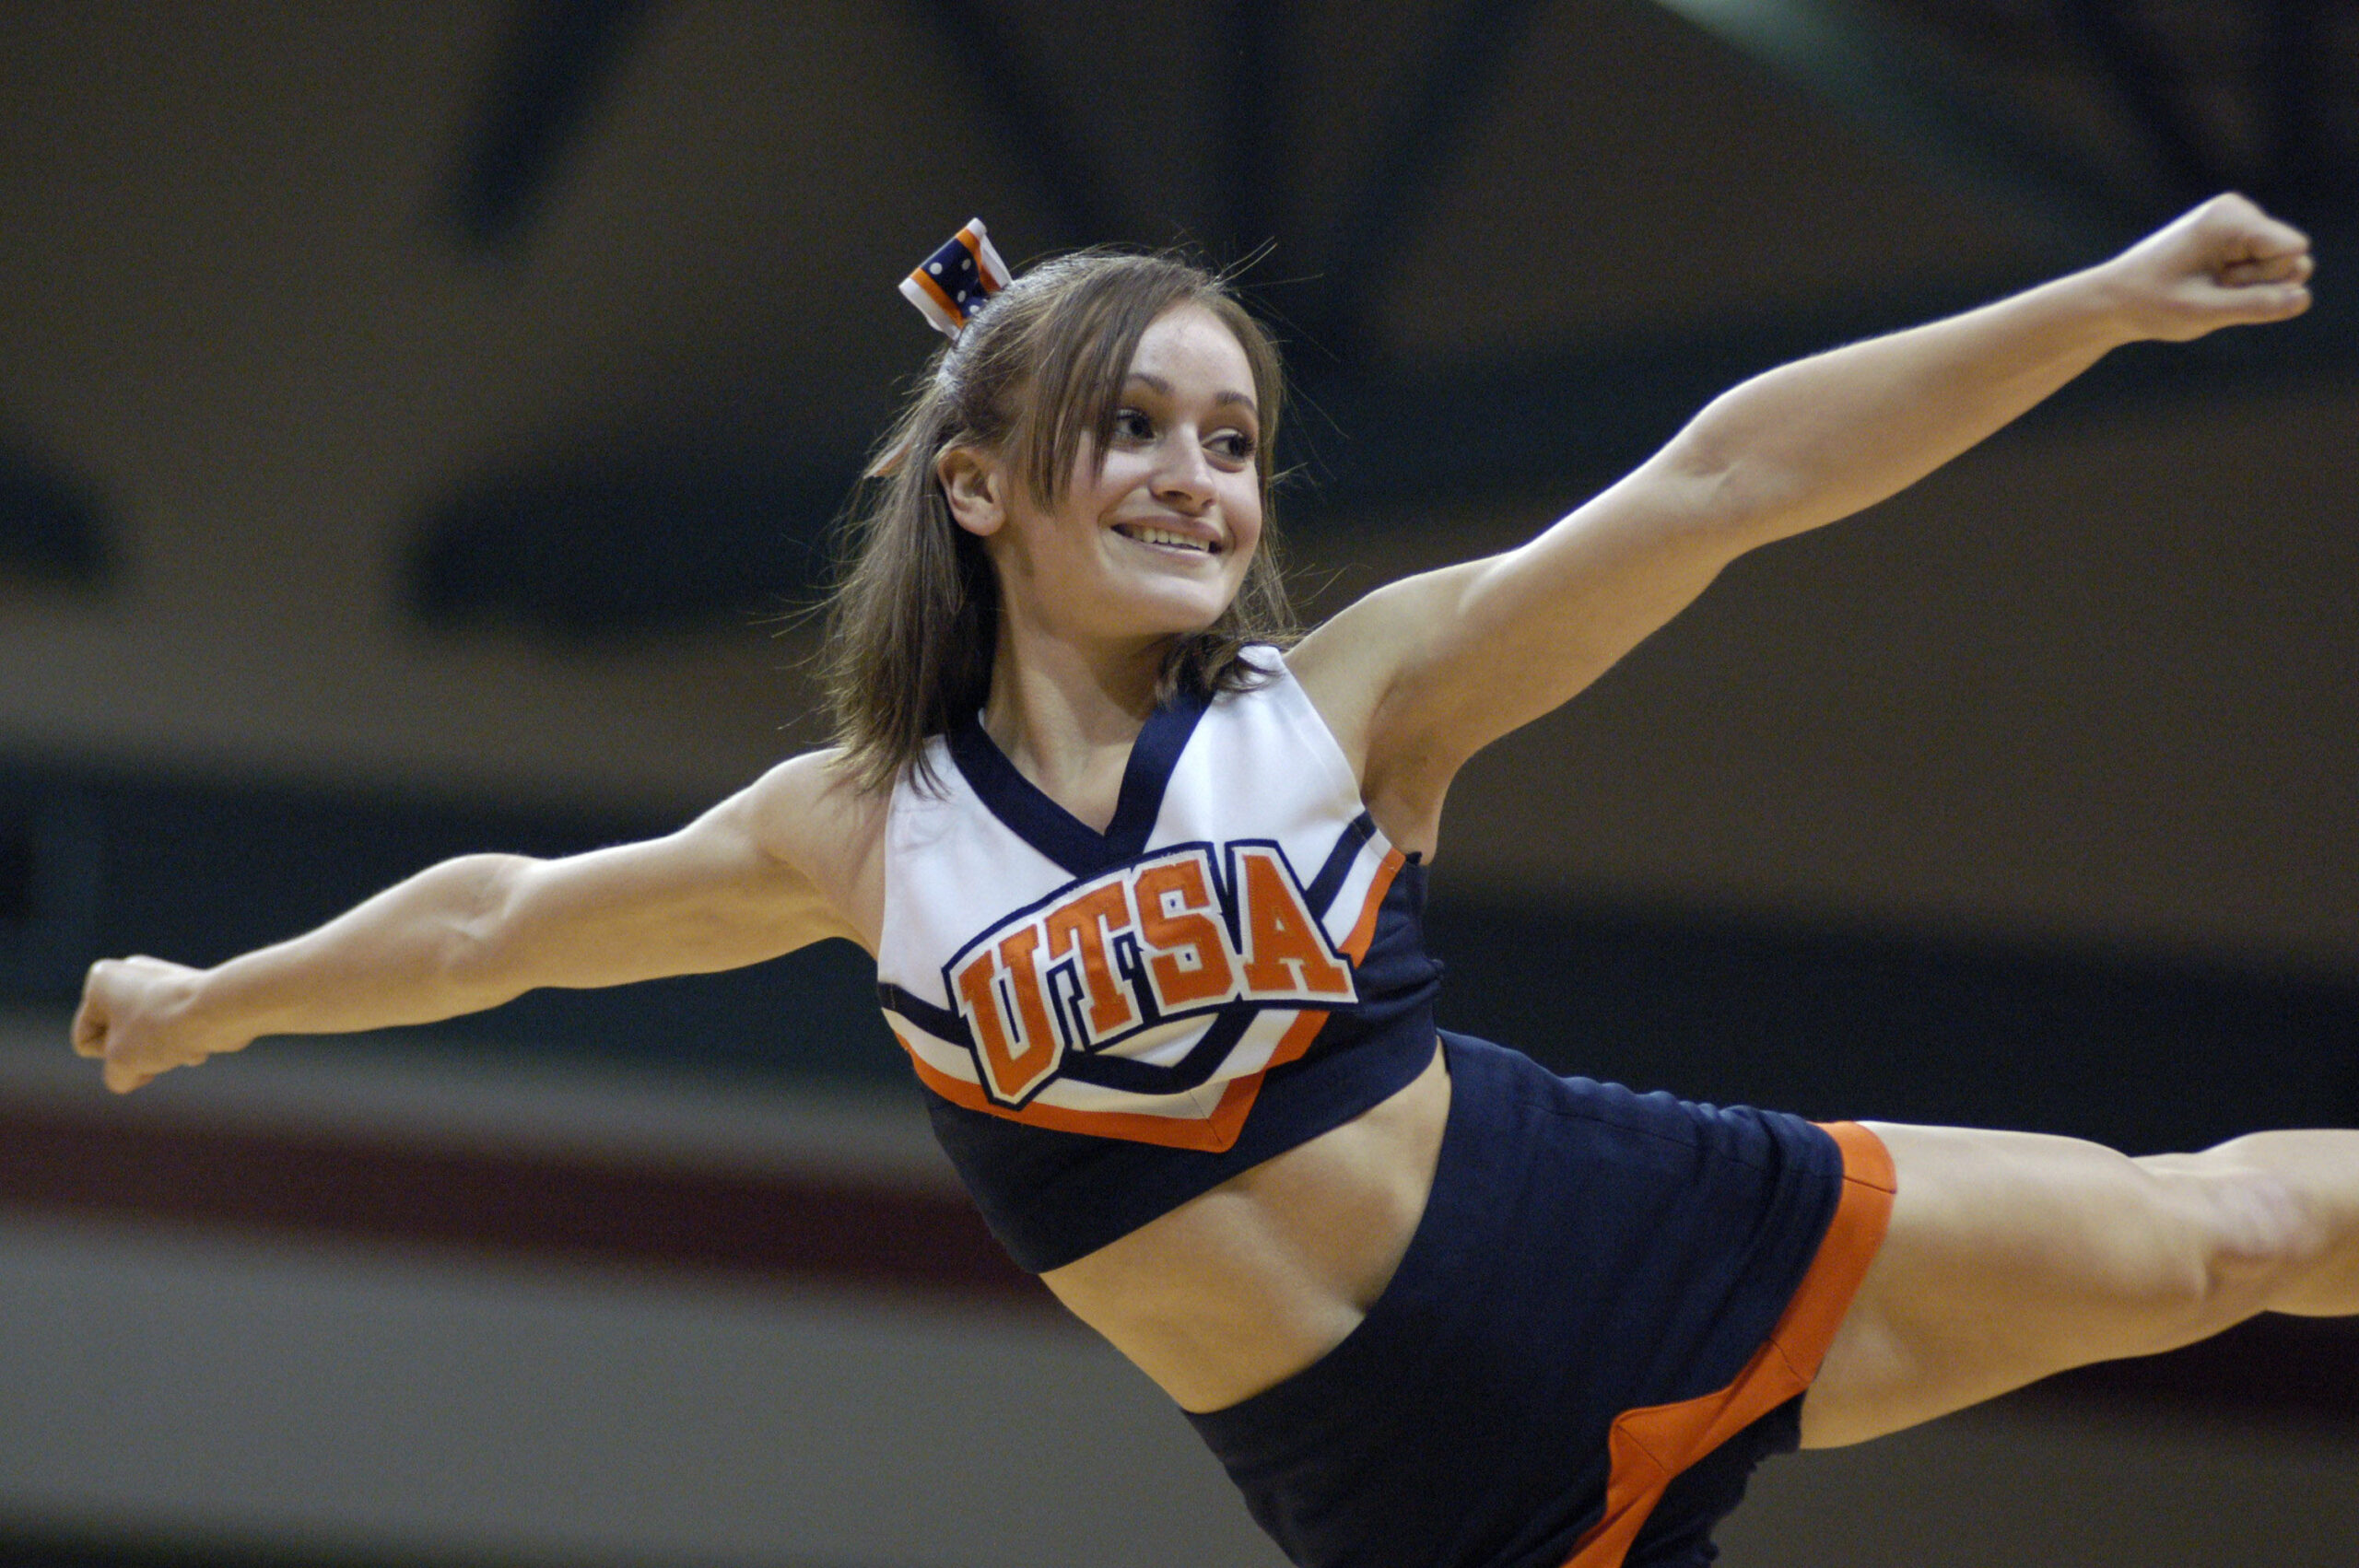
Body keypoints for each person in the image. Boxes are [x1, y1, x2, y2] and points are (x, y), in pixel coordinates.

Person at [73, 194, 2355, 1568]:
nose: (1197, 477)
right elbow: (494, 918)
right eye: (1135, 425)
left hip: (1615, 1240)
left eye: (1235, 437)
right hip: (1389, 1492)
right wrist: (213, 997)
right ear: (975, 486)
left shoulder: (1343, 706)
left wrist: (2089, 304)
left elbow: (1722, 479)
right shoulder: (862, 829)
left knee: (2221, 1234)